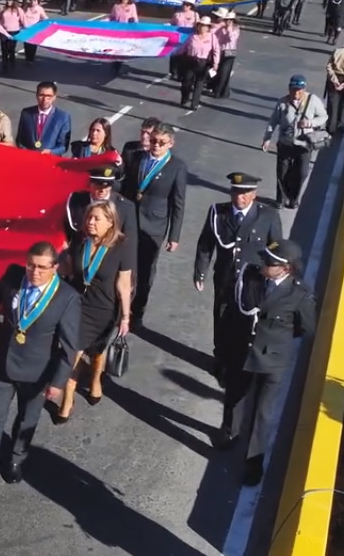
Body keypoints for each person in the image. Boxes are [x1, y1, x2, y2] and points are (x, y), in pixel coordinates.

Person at [0, 242, 82, 492]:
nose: (34, 272)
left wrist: (58, 383)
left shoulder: (67, 298)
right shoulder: (13, 276)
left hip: (37, 373)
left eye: (41, 267)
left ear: (55, 268)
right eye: (31, 265)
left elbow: (69, 347)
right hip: (3, 364)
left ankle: (15, 460)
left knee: (27, 420)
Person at [215, 239, 315, 486]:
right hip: (244, 350)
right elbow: (233, 309)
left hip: (272, 358)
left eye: (270, 263)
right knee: (235, 395)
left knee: (262, 412)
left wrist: (275, 339)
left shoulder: (299, 294)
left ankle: (253, 463)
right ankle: (230, 432)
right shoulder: (251, 277)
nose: (264, 265)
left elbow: (306, 327)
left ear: (286, 269)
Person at [192, 172, 283, 382]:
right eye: (235, 192)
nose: (239, 197)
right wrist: (200, 271)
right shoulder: (219, 212)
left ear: (254, 195)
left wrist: (274, 279)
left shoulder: (267, 216)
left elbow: (275, 251)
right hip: (225, 278)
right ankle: (222, 361)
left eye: (244, 193)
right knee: (222, 319)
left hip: (252, 283)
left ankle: (239, 363)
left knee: (246, 323)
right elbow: (206, 244)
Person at [55, 201, 133, 422]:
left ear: (110, 222)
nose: (90, 222)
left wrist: (126, 317)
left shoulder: (121, 246)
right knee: (72, 353)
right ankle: (67, 399)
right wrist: (54, 262)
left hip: (103, 309)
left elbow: (124, 283)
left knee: (97, 351)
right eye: (89, 218)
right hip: (76, 305)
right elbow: (69, 269)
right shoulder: (81, 241)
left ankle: (95, 379)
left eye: (96, 219)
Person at [122, 123, 187, 329]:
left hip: (154, 226)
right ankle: (121, 305)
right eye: (153, 141)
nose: (156, 146)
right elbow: (125, 187)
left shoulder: (177, 167)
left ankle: (137, 310)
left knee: (145, 270)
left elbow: (178, 202)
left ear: (170, 144)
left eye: (161, 143)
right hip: (130, 220)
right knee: (124, 266)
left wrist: (174, 236)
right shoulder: (136, 157)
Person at [262, 75, 328, 209]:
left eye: (299, 90)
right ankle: (280, 199)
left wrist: (310, 123)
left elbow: (324, 116)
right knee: (282, 173)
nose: (296, 93)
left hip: (304, 144)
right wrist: (267, 138)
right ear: (289, 88)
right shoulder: (282, 102)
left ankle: (294, 198)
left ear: (304, 89)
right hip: (285, 143)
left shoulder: (313, 100)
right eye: (293, 90)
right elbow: (273, 121)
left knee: (301, 173)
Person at [15, 81, 72, 155]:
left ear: (54, 97)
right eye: (41, 95)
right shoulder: (26, 113)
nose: (45, 99)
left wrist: (51, 152)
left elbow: (63, 146)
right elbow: (20, 140)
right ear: (36, 95)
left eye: (49, 96)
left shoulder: (63, 117)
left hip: (49, 160)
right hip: (29, 158)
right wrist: (26, 153)